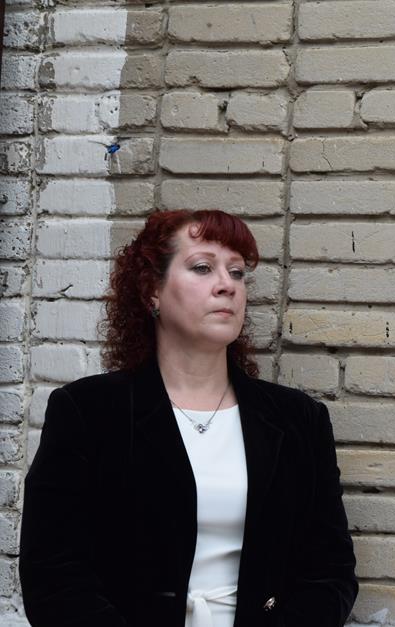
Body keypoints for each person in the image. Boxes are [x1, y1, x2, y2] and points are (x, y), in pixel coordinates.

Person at [20, 210, 357, 626]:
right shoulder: (88, 412)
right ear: (152, 291)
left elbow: (330, 574)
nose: (226, 285)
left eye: (237, 272)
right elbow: (53, 575)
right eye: (202, 267)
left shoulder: (298, 420)